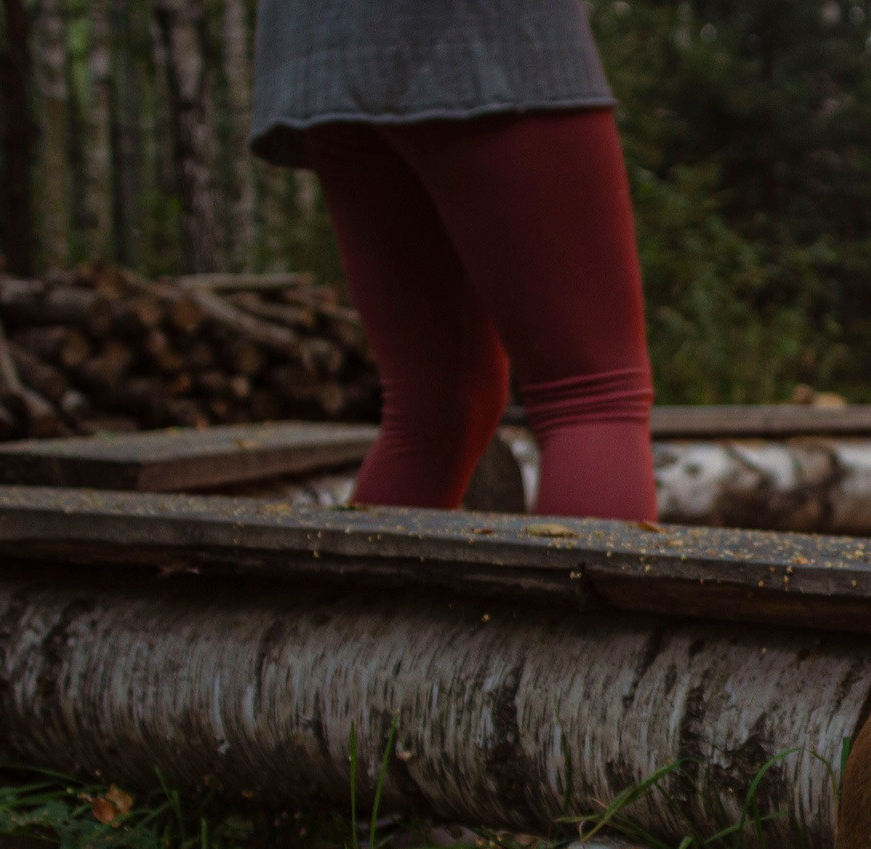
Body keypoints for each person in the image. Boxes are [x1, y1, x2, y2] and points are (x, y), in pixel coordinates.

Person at [250, 0, 657, 519]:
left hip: (326, 42)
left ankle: (368, 603)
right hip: (481, 32)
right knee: (592, 397)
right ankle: (572, 605)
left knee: (434, 412)